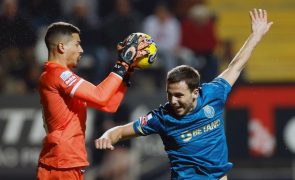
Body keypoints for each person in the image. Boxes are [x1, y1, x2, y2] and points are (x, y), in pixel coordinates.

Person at [95, 9, 273, 179]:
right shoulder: (162, 118)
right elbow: (121, 131)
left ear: (195, 92)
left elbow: (236, 65)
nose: (173, 101)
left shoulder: (213, 94)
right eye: (169, 94)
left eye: (179, 95)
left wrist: (256, 35)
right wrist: (107, 136)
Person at [36, 22, 150, 180]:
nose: (81, 50)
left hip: (67, 163)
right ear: (62, 47)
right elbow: (100, 96)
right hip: (61, 163)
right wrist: (123, 64)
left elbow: (108, 104)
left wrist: (127, 70)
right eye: (77, 44)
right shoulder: (57, 75)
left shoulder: (62, 77)